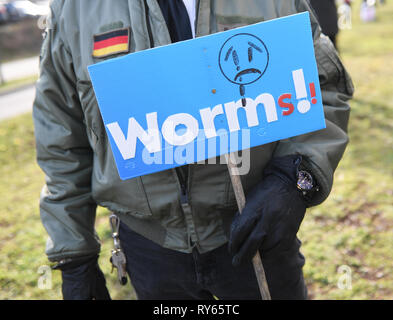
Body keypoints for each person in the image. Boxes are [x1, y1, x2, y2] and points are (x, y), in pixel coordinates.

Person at [33, 0, 353, 300]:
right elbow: (61, 136)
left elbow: (324, 87)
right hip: (149, 249)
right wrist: (74, 258)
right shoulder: (74, 8)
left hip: (257, 235)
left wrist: (295, 180)